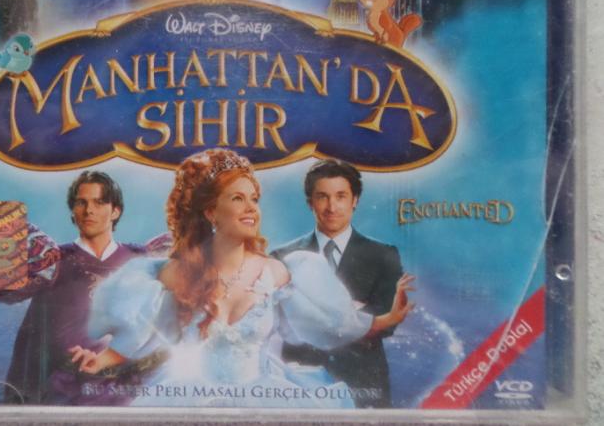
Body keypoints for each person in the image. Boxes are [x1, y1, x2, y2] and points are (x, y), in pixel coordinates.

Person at [70, 149, 414, 408]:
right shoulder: (175, 275)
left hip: (265, 398)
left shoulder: (277, 272)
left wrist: (386, 319)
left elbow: (331, 326)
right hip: (190, 398)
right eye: (238, 198)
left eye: (254, 199)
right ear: (211, 212)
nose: (251, 208)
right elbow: (145, 337)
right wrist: (99, 360)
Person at [0, 171, 150, 405]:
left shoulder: (138, 258)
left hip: (124, 387)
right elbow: (5, 293)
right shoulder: (52, 259)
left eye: (99, 202)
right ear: (73, 211)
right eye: (81, 202)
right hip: (61, 391)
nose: (89, 210)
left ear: (116, 211)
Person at [271, 159, 404, 407]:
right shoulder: (281, 257)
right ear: (310, 202)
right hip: (299, 380)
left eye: (341, 196)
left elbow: (388, 321)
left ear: (355, 200)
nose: (332, 207)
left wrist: (313, 319)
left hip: (362, 380)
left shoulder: (384, 255)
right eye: (322, 197)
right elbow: (281, 323)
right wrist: (354, 315)